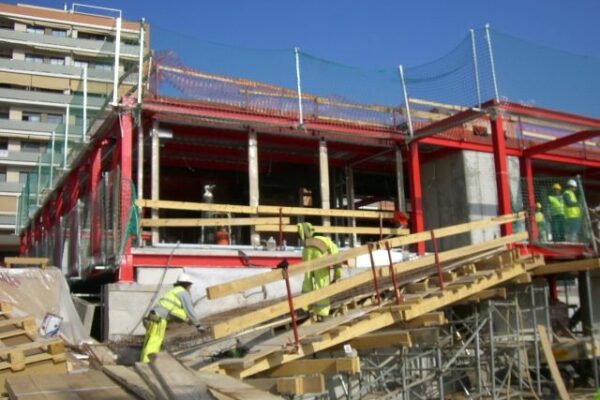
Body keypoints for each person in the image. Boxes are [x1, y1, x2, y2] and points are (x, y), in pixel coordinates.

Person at [140, 272, 202, 362]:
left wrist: (186, 319)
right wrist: (198, 325)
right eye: (190, 285)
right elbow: (190, 310)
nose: (190, 288)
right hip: (159, 320)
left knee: (148, 342)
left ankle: (142, 362)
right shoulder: (183, 293)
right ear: (187, 284)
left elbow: (172, 311)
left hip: (152, 317)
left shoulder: (173, 291)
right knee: (154, 343)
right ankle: (147, 365)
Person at [297, 222, 341, 321]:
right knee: (322, 283)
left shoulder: (315, 240)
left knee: (307, 279)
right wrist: (337, 276)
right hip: (319, 254)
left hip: (306, 250)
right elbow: (337, 260)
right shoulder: (330, 244)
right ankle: (323, 313)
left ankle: (305, 307)